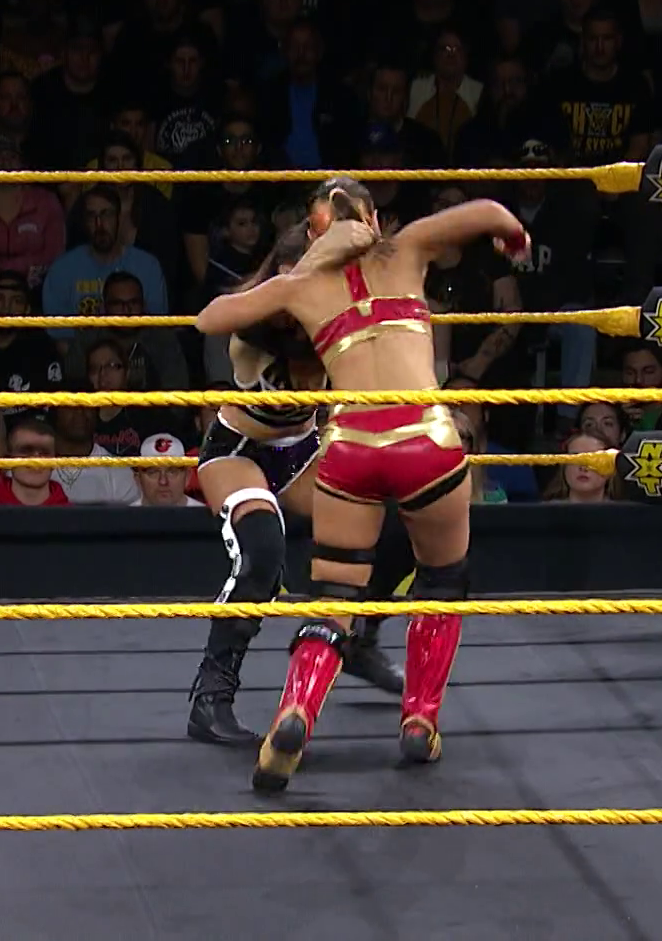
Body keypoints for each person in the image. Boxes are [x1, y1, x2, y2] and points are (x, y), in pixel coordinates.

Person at [197, 177, 529, 790]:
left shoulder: (305, 289)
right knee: (428, 572)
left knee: (350, 575)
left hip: (333, 449)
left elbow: (213, 315)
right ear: (372, 219)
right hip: (257, 449)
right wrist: (513, 235)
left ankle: (324, 677)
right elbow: (483, 210)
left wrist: (304, 273)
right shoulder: (364, 265)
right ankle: (412, 720)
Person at [185, 219, 408, 747]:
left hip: (303, 452)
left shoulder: (335, 322)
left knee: (397, 518)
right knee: (262, 551)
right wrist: (292, 283)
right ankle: (211, 698)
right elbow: (207, 319)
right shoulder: (254, 328)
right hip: (239, 451)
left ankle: (359, 636)